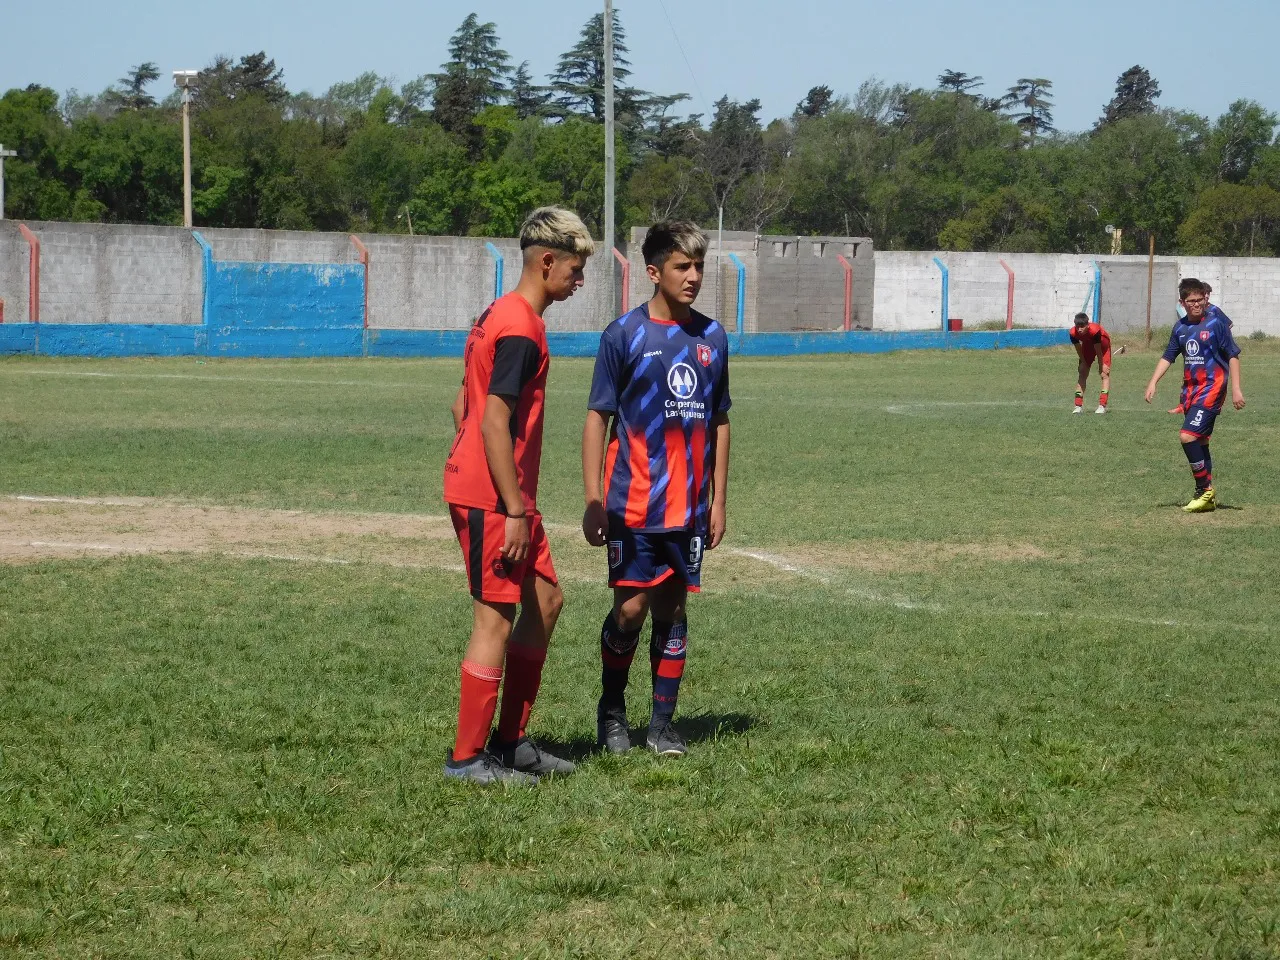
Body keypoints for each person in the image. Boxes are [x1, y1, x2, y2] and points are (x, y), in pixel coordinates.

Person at [441, 206, 595, 784]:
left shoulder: (498, 313)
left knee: (546, 601)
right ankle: (466, 759)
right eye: (576, 269)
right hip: (495, 500)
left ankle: (510, 742)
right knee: (495, 621)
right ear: (547, 261)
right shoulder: (522, 328)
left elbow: (462, 403)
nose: (580, 281)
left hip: (508, 496)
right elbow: (492, 420)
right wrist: (510, 508)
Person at [581, 220, 732, 757]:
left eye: (698, 267)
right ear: (653, 272)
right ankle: (612, 710)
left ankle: (662, 725)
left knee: (673, 609)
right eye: (681, 266)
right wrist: (593, 500)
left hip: (687, 507)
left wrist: (717, 501)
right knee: (630, 610)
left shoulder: (713, 337)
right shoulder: (623, 335)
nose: (693, 277)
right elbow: (597, 419)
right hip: (632, 501)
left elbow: (719, 420)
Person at [1144, 278, 1246, 513]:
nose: (1197, 304)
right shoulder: (1180, 328)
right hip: (1191, 392)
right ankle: (1207, 497)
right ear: (1182, 302)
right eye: (1191, 301)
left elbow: (1232, 355)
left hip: (1212, 388)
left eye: (1200, 300)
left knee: (1187, 436)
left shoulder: (1216, 323)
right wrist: (1153, 382)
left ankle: (1204, 490)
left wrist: (1236, 389)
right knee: (1200, 440)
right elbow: (1168, 356)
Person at [1169, 282, 1232, 414]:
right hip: (1194, 367)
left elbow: (1228, 324)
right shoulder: (1182, 323)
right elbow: (1168, 355)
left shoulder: (1214, 312)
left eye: (1207, 295)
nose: (1206, 297)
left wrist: (1219, 337)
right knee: (1191, 374)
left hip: (1213, 381)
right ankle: (1183, 404)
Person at [1068, 312, 1112, 414]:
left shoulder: (1095, 330)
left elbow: (1098, 350)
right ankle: (1078, 406)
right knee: (1082, 372)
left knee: (1104, 374)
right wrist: (1083, 362)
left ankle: (1102, 406)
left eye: (1082, 326)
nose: (1079, 329)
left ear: (1088, 325)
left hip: (1103, 347)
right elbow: (1078, 349)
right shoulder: (1073, 333)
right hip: (1088, 346)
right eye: (1077, 326)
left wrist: (1101, 365)